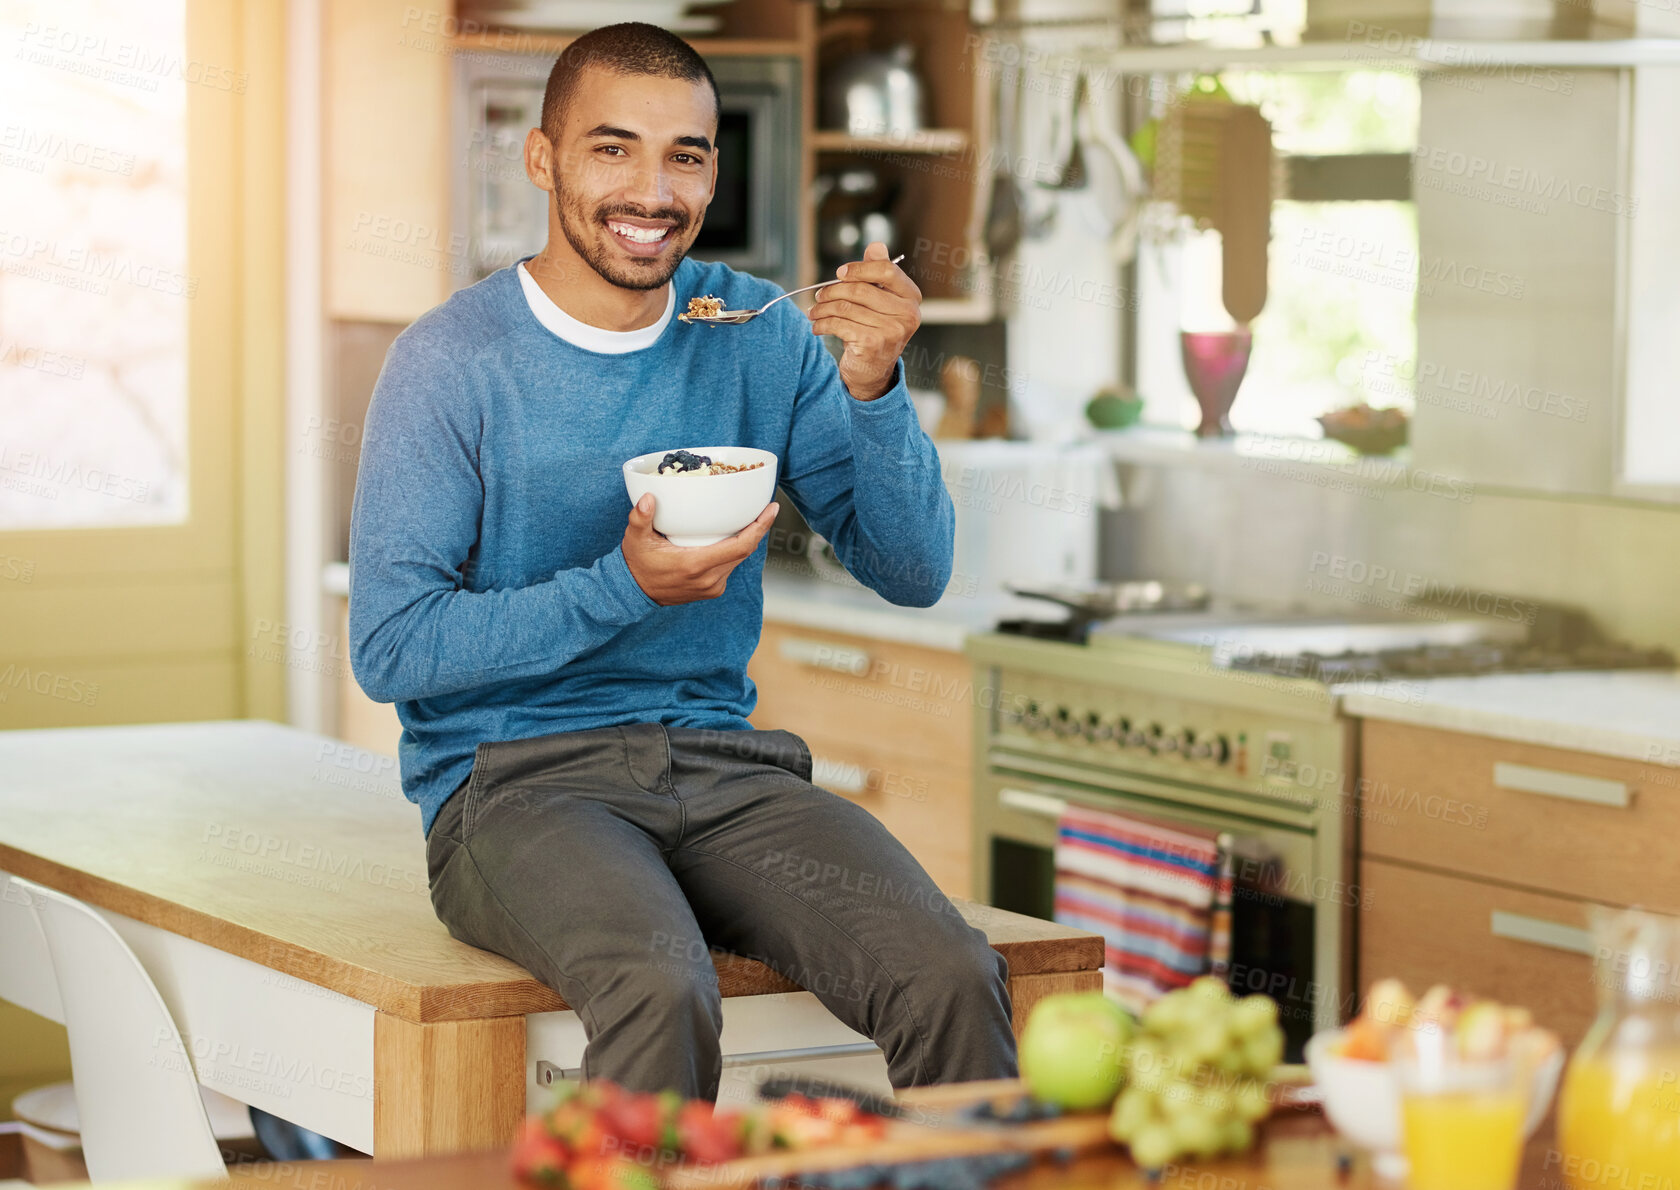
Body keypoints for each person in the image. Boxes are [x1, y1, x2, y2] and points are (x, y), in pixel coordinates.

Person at [347, 21, 1017, 1099]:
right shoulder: (450, 361)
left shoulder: (755, 328)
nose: (652, 191)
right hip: (514, 786)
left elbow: (911, 568)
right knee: (662, 985)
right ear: (544, 159)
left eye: (686, 156)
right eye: (613, 149)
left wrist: (877, 383)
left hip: (724, 769)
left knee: (949, 970)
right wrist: (624, 587)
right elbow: (390, 647)